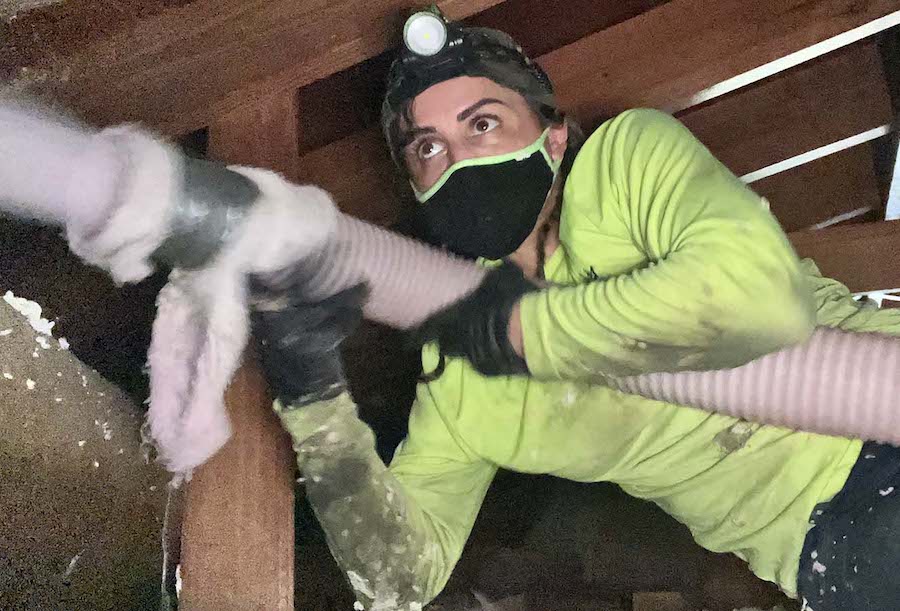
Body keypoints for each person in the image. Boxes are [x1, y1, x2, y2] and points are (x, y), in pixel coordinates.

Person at [250, 9, 900, 611]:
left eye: (482, 123)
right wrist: (318, 410)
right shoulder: (459, 366)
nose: (458, 158)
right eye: (428, 147)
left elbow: (754, 293)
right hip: (829, 543)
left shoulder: (623, 166)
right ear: (417, 187)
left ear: (554, 140)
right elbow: (401, 579)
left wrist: (525, 329)